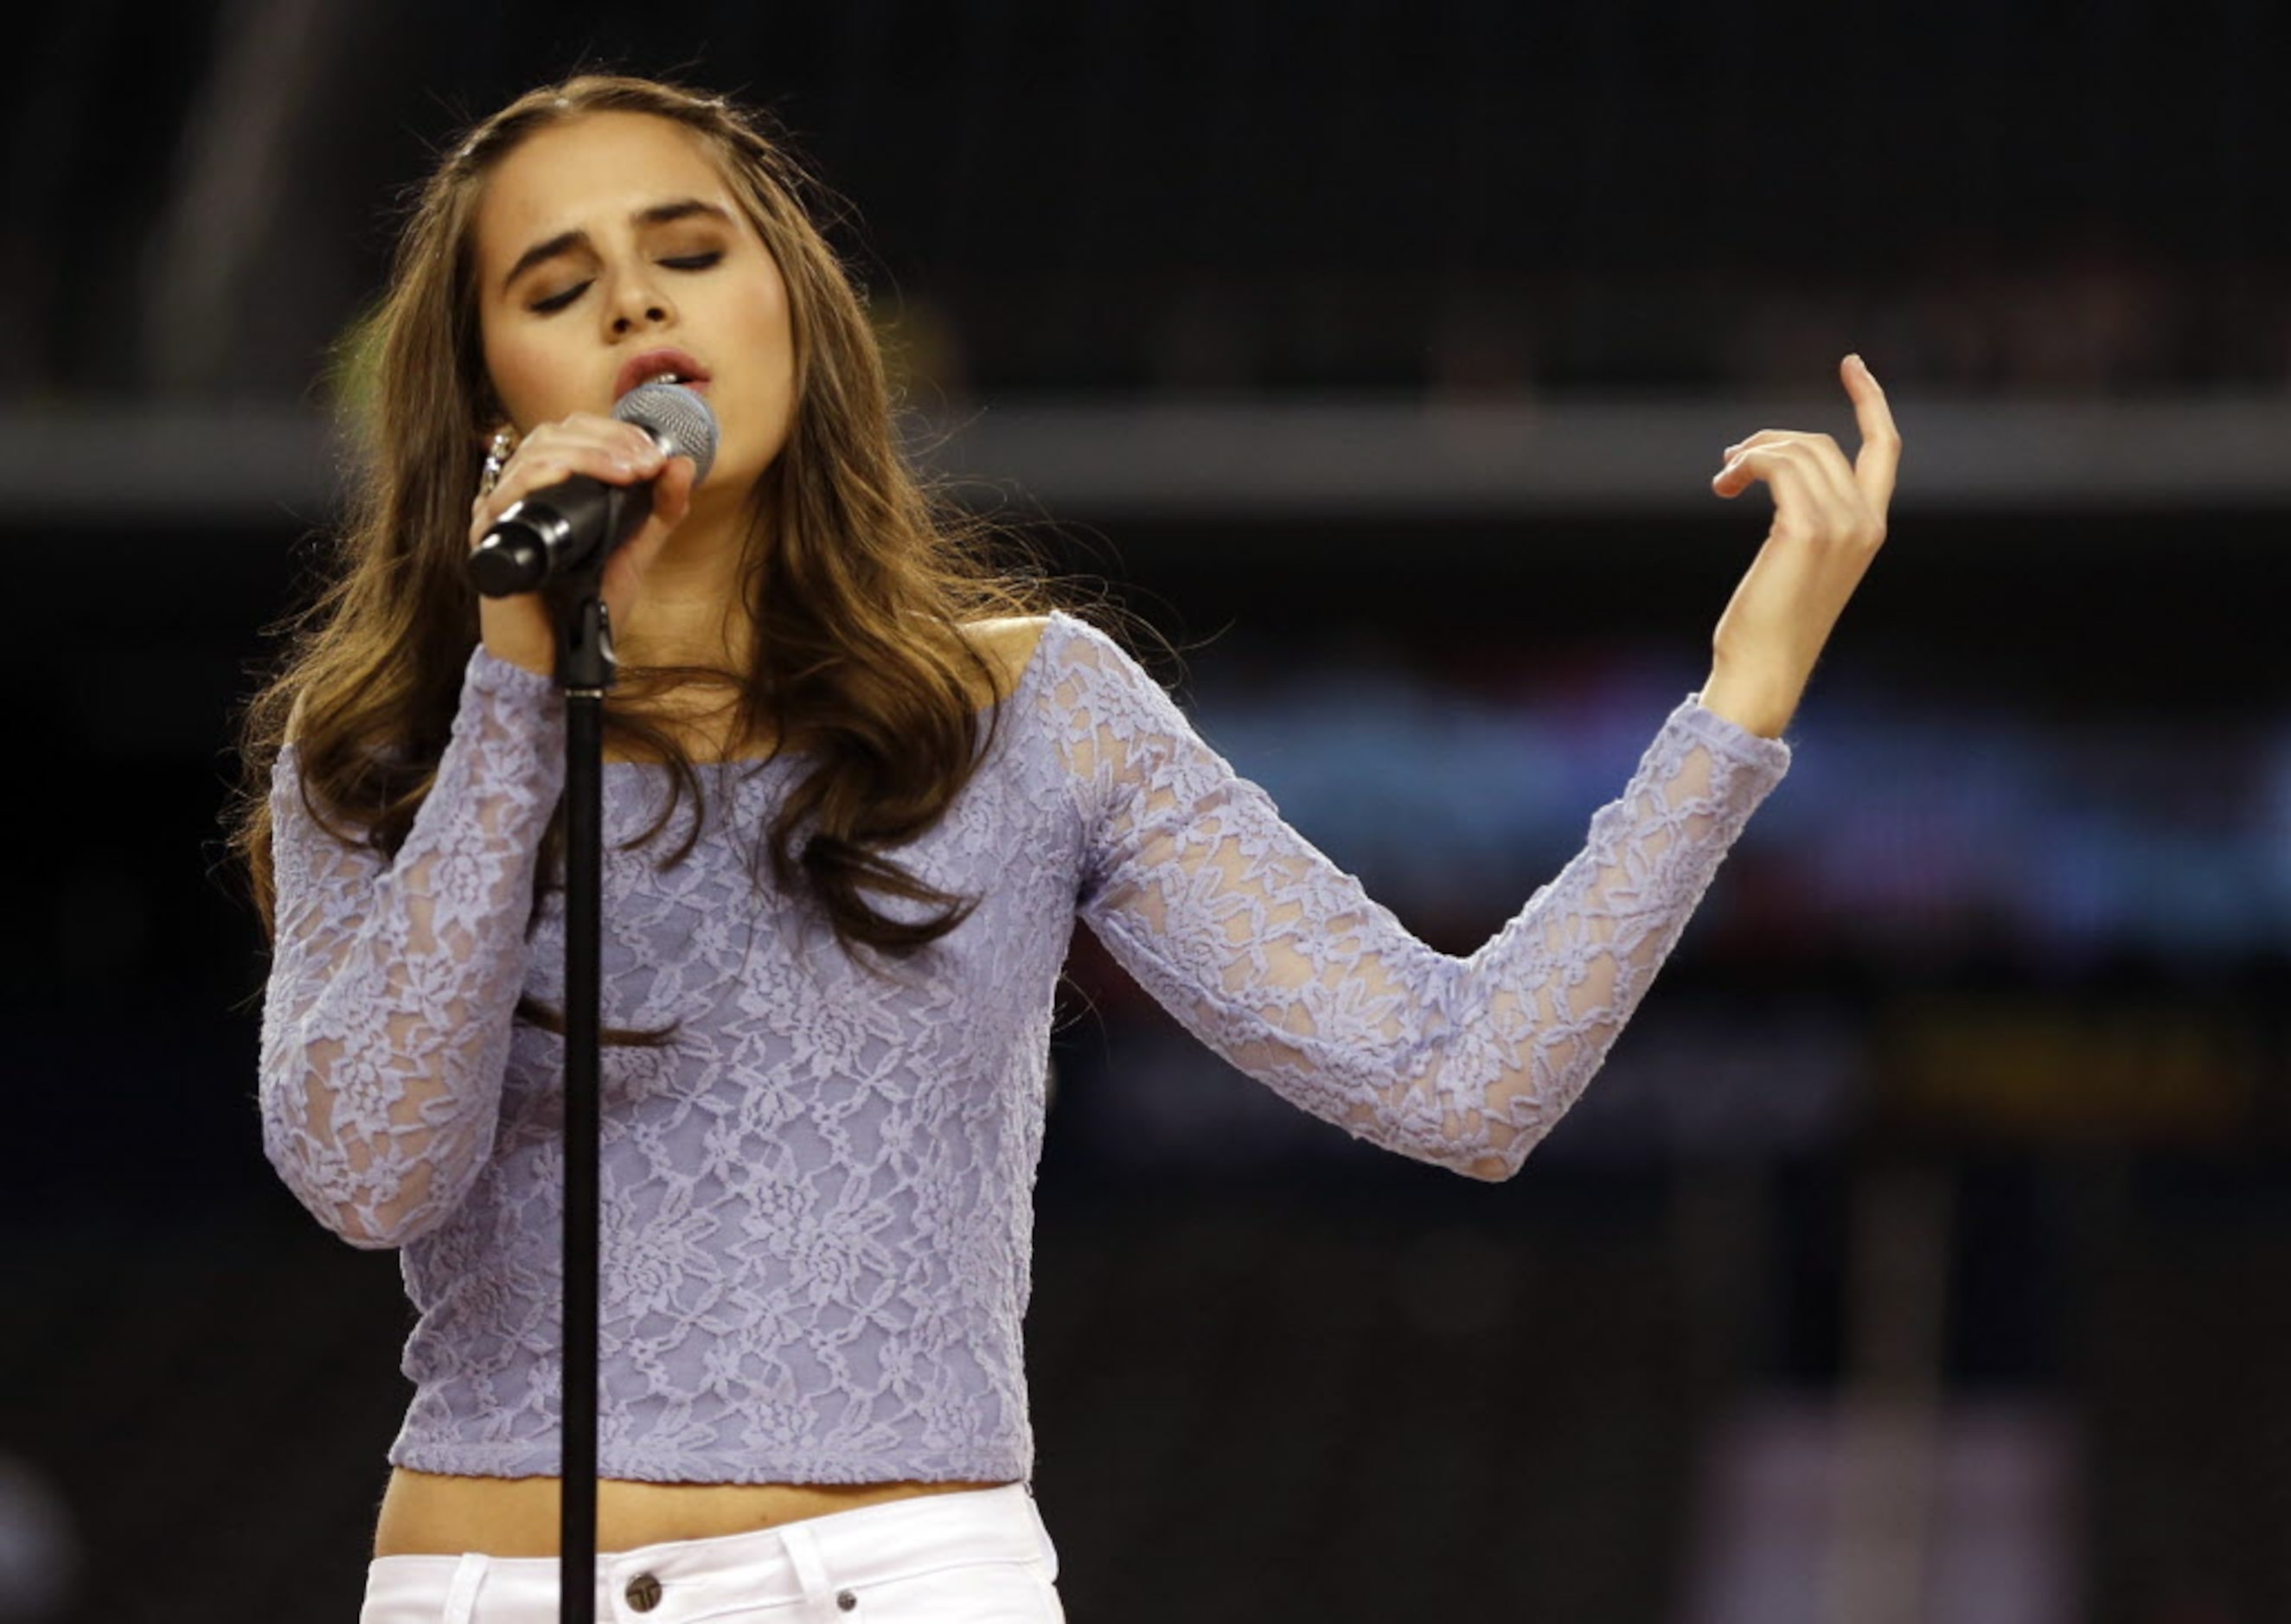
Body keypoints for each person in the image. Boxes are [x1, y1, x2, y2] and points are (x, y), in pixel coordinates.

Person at [234, 73, 1898, 1624]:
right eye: (554, 283)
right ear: (484, 394)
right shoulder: (387, 747)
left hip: (890, 1580)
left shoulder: (1028, 709)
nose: (637, 305)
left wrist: (1735, 704)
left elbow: (1461, 1084)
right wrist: (516, 682)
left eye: (689, 250)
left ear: (794, 312)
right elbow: (369, 1172)